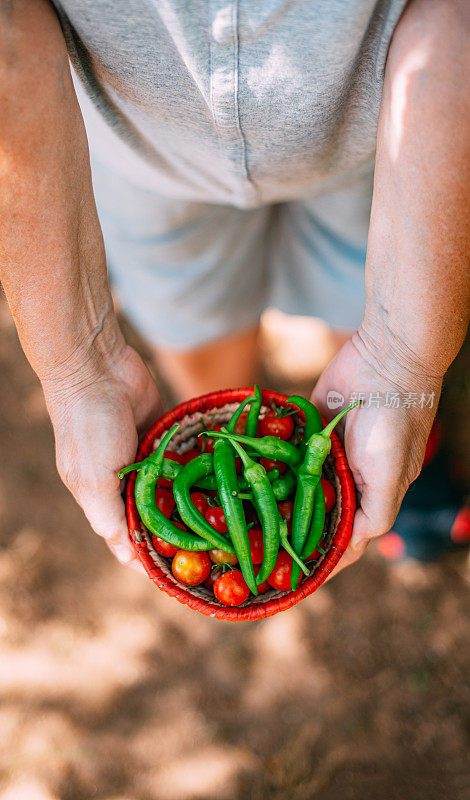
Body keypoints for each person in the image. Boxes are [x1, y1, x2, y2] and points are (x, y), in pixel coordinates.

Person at [1, 0, 468, 575]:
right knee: (197, 328)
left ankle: (394, 442)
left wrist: (403, 361)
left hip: (389, 137)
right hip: (142, 154)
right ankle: (223, 445)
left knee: (363, 306)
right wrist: (79, 366)